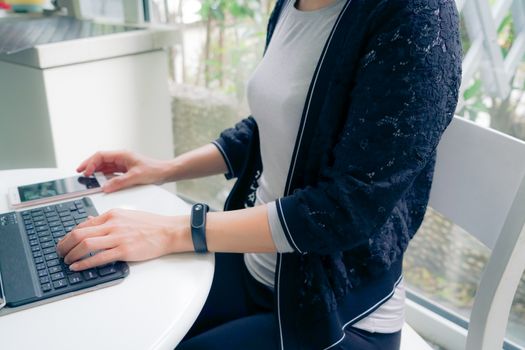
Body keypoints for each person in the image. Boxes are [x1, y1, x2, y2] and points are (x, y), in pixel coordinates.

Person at [56, 0, 462, 348]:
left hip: (338, 313)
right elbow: (274, 124)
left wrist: (173, 231)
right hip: (259, 268)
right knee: (128, 315)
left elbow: (347, 209)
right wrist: (163, 169)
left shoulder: (414, 16)